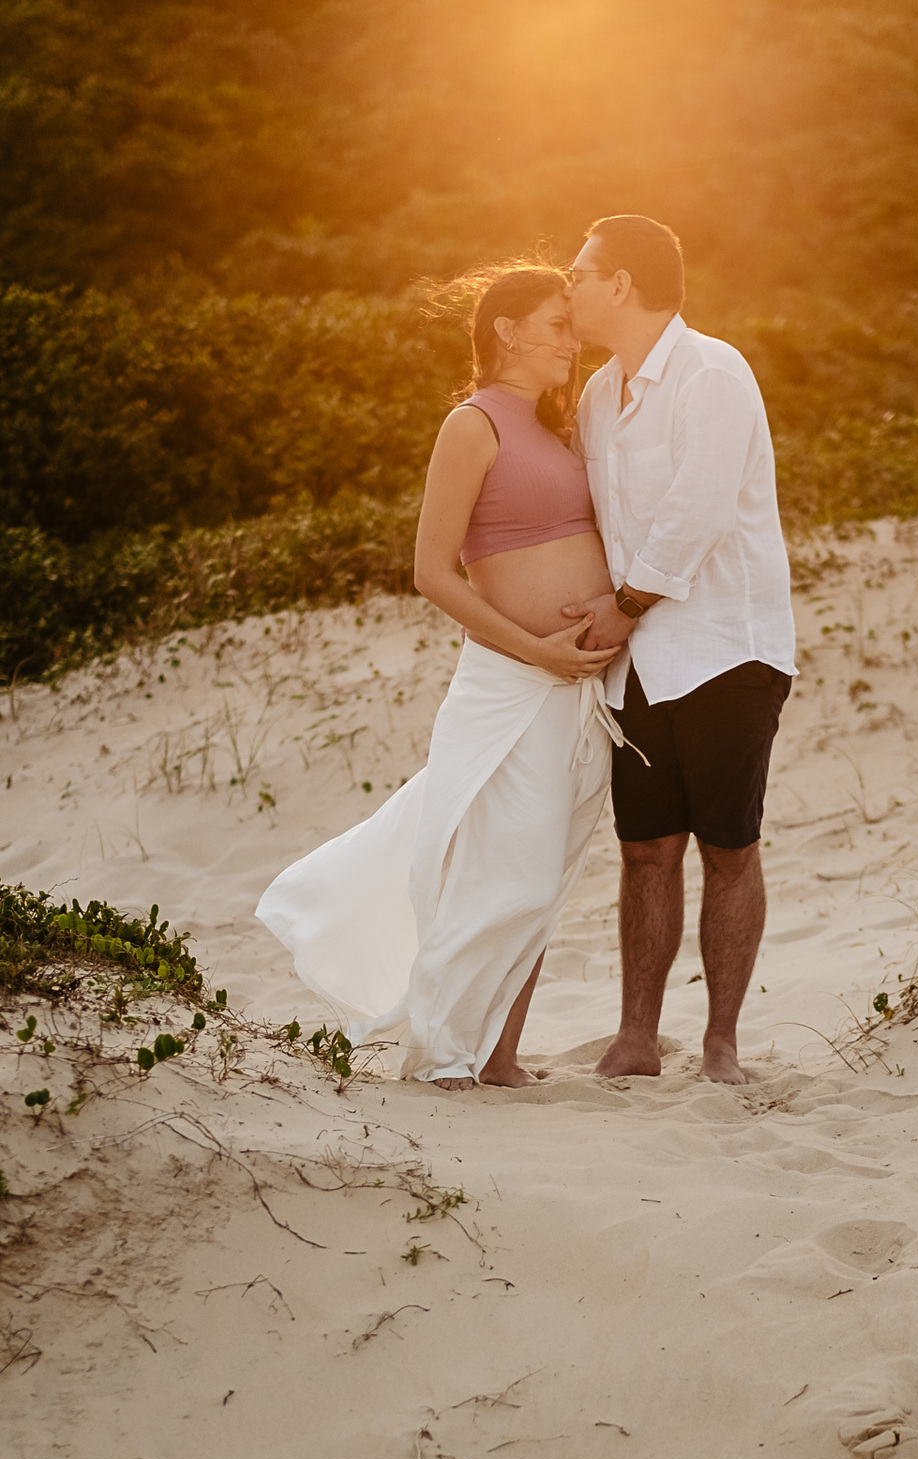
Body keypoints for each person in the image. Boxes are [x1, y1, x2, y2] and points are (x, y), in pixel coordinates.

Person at [256, 263, 627, 1090]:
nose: (573, 341)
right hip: (515, 682)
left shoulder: (557, 428)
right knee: (509, 872)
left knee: (546, 878)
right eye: (557, 325)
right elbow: (433, 572)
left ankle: (496, 1055)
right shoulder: (472, 424)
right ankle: (443, 1059)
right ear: (507, 330)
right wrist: (540, 652)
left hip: (581, 688)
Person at [564, 214, 796, 1085]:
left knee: (728, 847)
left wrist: (623, 606)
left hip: (726, 648)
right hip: (641, 663)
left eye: (580, 273)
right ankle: (635, 1039)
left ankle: (721, 1045)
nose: (570, 286)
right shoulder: (597, 395)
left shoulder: (714, 372)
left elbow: (695, 512)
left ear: (620, 283)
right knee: (645, 849)